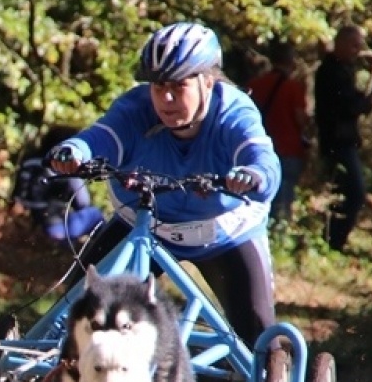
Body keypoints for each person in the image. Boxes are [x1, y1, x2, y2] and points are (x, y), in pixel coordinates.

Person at [47, 22, 282, 348]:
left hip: (223, 233)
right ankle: (59, 376)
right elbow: (102, 137)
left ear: (208, 82)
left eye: (178, 86)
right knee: (76, 308)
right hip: (144, 225)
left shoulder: (234, 113)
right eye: (158, 87)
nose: (166, 99)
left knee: (258, 335)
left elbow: (262, 158)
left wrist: (255, 175)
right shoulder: (136, 109)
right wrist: (75, 152)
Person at [312, 24, 372, 252]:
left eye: (359, 46)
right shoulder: (330, 71)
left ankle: (332, 239)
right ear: (340, 43)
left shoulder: (345, 69)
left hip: (345, 140)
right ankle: (333, 240)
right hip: (336, 141)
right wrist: (367, 103)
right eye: (353, 45)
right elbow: (343, 106)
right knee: (354, 192)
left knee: (345, 192)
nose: (357, 50)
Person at [245, 40, 312, 224]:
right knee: (284, 197)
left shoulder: (255, 85)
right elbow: (300, 119)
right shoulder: (293, 88)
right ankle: (281, 232)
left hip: (256, 149)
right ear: (291, 62)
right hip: (288, 149)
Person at [12, 128, 106, 243]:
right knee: (94, 214)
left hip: (22, 222)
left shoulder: (28, 161)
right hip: (55, 227)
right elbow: (83, 202)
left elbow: (16, 194)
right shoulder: (64, 166)